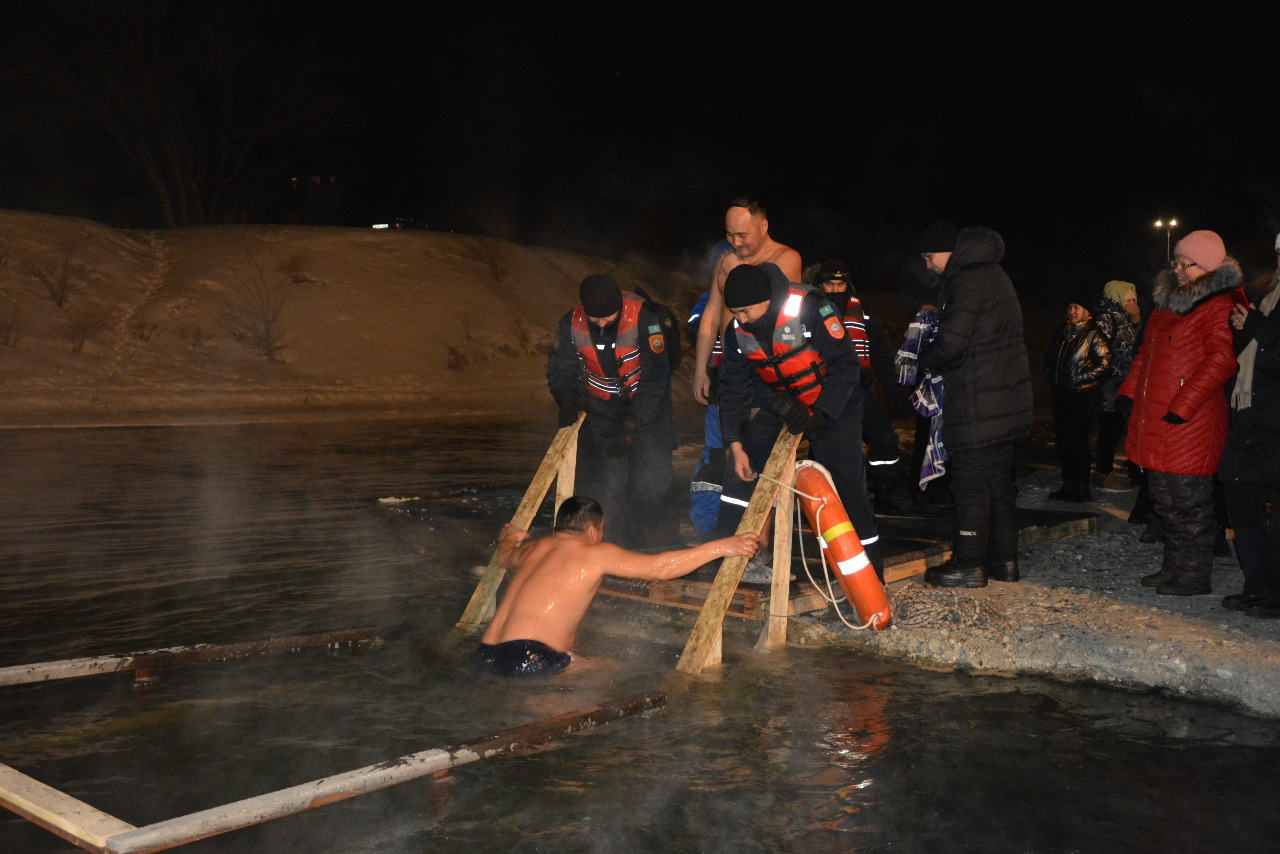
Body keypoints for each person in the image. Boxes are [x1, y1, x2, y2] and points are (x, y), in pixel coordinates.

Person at [713, 262, 883, 582]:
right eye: (735, 312)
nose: (741, 319)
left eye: (746, 311)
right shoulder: (737, 330)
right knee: (742, 470)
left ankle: (870, 577)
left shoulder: (811, 309)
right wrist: (735, 445)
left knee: (847, 488)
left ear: (766, 300)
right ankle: (731, 561)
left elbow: (847, 367)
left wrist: (821, 414)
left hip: (835, 403)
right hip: (783, 403)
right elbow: (732, 390)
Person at [475, 497, 759, 676]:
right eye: (601, 530)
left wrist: (513, 535)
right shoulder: (594, 553)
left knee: (586, 664)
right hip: (528, 657)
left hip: (486, 653)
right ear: (592, 530)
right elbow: (660, 569)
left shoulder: (533, 548)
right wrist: (724, 547)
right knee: (610, 673)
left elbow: (503, 557)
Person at [1117, 230, 1241, 597]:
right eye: (1177, 261)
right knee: (1165, 501)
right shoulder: (1166, 305)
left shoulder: (1216, 306)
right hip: (1159, 419)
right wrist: (1127, 393)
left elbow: (1222, 361)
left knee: (1189, 503)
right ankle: (1174, 566)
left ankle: (1193, 574)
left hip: (1190, 423)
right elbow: (1146, 355)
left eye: (1189, 264)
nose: (1180, 269)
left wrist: (1183, 405)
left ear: (1209, 268)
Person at [914, 221, 1034, 587]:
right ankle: (1004, 561)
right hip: (1004, 398)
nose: (928, 264)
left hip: (978, 399)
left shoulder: (964, 280)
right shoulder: (994, 274)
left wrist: (921, 361)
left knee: (970, 482)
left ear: (947, 251)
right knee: (998, 481)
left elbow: (953, 342)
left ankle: (969, 562)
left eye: (929, 256)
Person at [547, 275, 676, 549]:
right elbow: (560, 370)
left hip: (647, 410)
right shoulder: (571, 323)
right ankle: (612, 551)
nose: (603, 324)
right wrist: (567, 401)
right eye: (596, 320)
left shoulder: (645, 319)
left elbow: (656, 377)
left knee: (652, 484)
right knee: (607, 487)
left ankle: (657, 548)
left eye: (609, 318)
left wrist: (633, 421)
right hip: (602, 411)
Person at [1217, 232, 1280, 617]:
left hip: (1275, 423)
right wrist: (1245, 331)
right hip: (1251, 418)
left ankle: (1275, 594)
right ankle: (1258, 585)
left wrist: (1258, 328)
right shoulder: (1267, 295)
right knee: (1241, 504)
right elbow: (1250, 359)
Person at [813, 259, 907, 514]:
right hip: (825, 393)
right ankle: (826, 506)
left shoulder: (862, 312)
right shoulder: (809, 310)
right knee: (830, 450)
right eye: (829, 284)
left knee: (885, 440)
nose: (834, 289)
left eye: (840, 283)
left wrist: (892, 391)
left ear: (848, 284)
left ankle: (884, 494)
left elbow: (881, 354)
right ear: (819, 285)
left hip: (861, 391)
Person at [692, 199, 803, 406]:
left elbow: (769, 312)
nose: (735, 242)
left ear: (763, 226)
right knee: (730, 434)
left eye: (742, 235)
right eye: (730, 234)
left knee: (759, 435)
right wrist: (700, 370)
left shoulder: (787, 258)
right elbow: (712, 313)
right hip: (732, 367)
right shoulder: (726, 260)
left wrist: (735, 270)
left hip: (769, 370)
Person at [1044, 293, 1112, 502]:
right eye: (1070, 307)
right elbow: (1050, 359)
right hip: (1062, 396)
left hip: (1083, 397)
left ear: (1087, 310)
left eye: (1077, 307)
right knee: (1064, 442)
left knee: (1078, 442)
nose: (1072, 312)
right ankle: (1068, 485)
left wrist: (1079, 379)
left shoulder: (1093, 333)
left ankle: (1081, 488)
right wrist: (1052, 378)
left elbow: (1105, 364)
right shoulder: (1062, 331)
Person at [1092, 280, 1141, 491]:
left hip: (1124, 384)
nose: (1131, 303)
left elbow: (1136, 345)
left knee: (1117, 428)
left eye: (1134, 300)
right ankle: (1104, 474)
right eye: (1127, 299)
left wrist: (1137, 319)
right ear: (1116, 298)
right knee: (1109, 430)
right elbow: (1100, 351)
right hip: (1111, 385)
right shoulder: (1107, 318)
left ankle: (1108, 472)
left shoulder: (1125, 318)